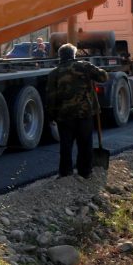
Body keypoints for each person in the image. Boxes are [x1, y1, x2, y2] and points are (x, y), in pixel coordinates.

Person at [45, 43, 109, 179]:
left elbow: (51, 97)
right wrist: (97, 70)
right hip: (84, 113)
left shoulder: (54, 73)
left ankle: (65, 172)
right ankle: (85, 172)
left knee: (65, 145)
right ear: (73, 55)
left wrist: (51, 115)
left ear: (60, 56)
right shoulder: (84, 66)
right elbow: (103, 77)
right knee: (85, 143)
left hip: (64, 116)